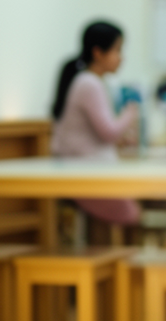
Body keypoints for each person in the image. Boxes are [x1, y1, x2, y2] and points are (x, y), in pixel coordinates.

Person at [51, 21, 140, 225]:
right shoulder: (89, 83)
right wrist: (130, 113)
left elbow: (99, 134)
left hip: (84, 170)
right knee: (133, 213)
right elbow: (108, 132)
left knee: (134, 204)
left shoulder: (88, 82)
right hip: (86, 175)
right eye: (117, 50)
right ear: (98, 53)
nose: (121, 58)